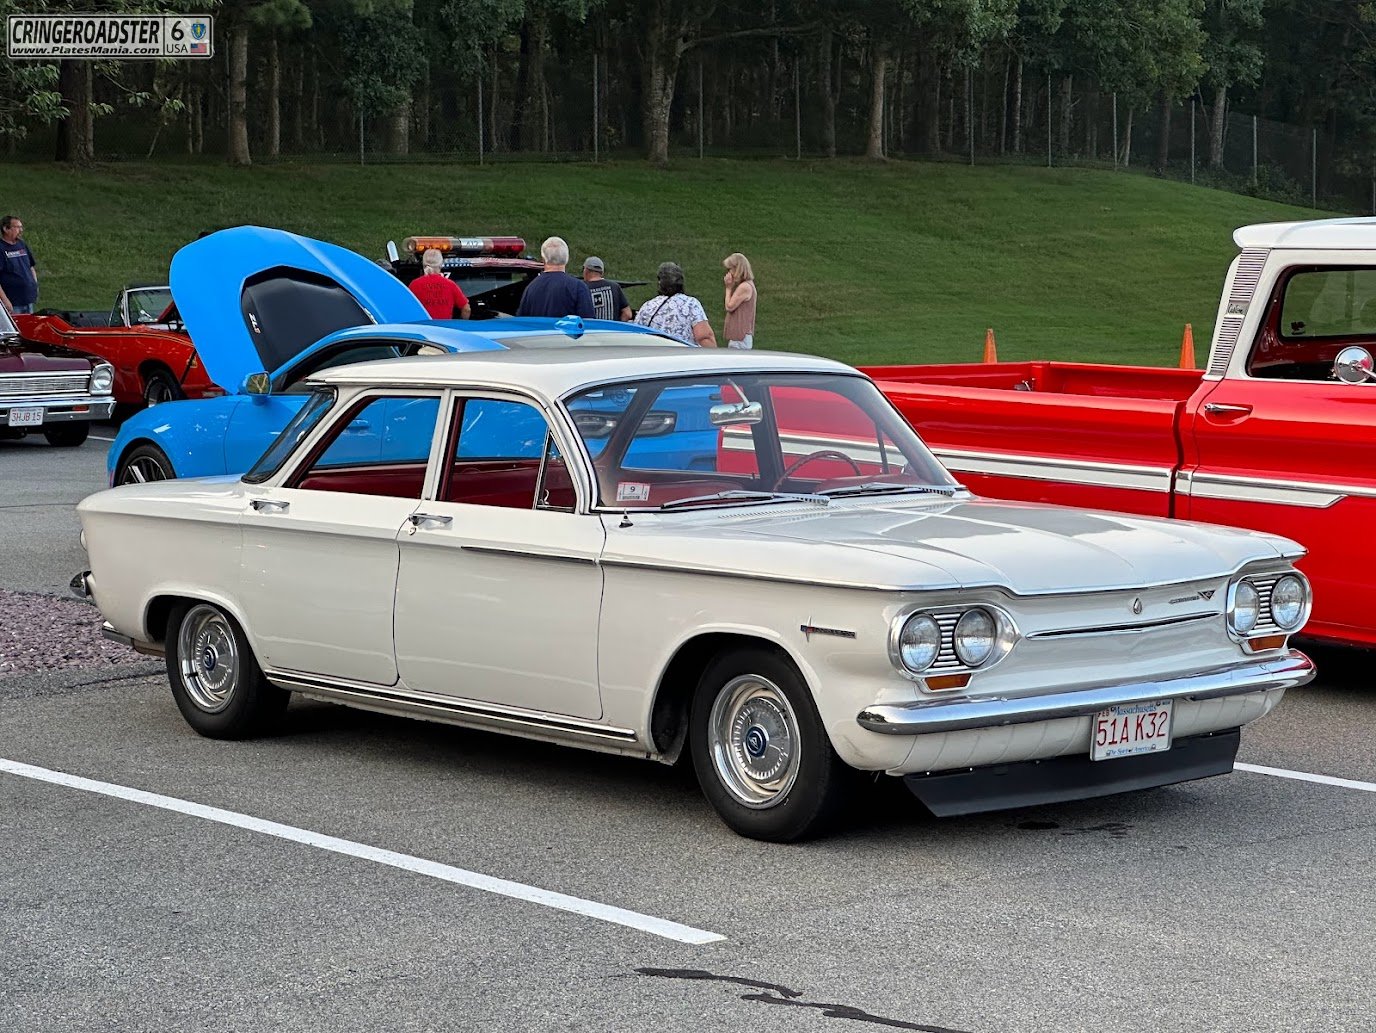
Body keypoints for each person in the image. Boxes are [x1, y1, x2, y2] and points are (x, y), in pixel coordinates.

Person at [634, 261, 717, 347]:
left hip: (654, 357)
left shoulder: (647, 306)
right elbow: (704, 337)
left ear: (660, 283)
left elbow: (636, 336)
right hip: (682, 357)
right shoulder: (690, 304)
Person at [517, 236, 595, 319]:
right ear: (567, 258)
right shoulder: (578, 287)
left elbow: (521, 323)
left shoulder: (531, 288)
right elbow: (588, 324)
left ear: (543, 259)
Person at [408, 248, 471, 319]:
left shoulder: (415, 284)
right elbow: (466, 309)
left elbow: (407, 308)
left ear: (423, 264)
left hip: (423, 328)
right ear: (441, 264)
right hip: (444, 328)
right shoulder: (450, 285)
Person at [0, 216, 38, 315]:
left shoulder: (21, 244)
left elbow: (30, 266)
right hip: (13, 302)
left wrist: (34, 285)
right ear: (6, 229)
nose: (21, 230)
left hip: (28, 298)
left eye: (21, 227)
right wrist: (5, 300)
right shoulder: (1, 248)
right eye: (17, 227)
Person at [722, 252, 757, 350]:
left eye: (730, 269)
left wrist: (728, 288)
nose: (729, 273)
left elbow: (729, 306)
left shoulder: (744, 287)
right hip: (741, 337)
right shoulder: (747, 285)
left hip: (740, 338)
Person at [582, 256, 631, 321]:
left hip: (590, 330)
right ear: (602, 273)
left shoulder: (581, 288)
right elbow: (627, 314)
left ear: (586, 270)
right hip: (611, 330)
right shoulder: (614, 286)